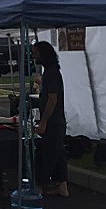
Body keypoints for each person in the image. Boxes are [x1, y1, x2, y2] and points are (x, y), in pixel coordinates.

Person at [33, 41, 68, 197]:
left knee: (47, 153)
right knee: (58, 152)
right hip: (57, 120)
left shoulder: (51, 73)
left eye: (36, 53)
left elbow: (52, 98)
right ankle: (62, 185)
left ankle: (40, 185)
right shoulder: (50, 72)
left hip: (53, 121)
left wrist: (44, 121)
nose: (34, 56)